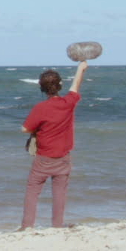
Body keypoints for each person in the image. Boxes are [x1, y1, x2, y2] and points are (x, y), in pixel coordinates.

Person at [19, 60, 87, 229]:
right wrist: (81, 68)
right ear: (60, 85)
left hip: (43, 158)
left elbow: (25, 129)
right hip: (63, 157)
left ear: (42, 88)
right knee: (59, 193)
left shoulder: (40, 108)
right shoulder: (68, 103)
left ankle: (27, 226)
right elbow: (75, 87)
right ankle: (57, 225)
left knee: (33, 191)